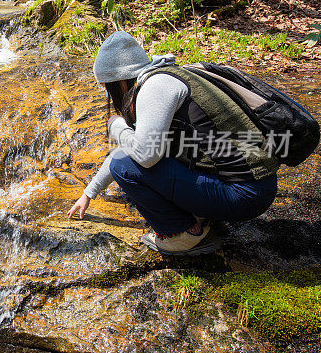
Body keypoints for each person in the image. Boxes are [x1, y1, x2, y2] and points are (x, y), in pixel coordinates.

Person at [66, 31, 279, 255]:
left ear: (119, 80)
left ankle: (184, 233)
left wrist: (116, 126)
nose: (108, 94)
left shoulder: (155, 88)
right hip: (254, 184)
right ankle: (201, 214)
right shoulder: (168, 75)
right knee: (136, 157)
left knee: (124, 168)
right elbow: (131, 148)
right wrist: (89, 193)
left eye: (106, 86)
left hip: (245, 194)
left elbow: (142, 156)